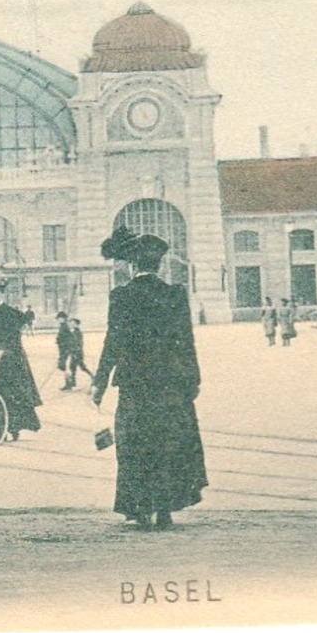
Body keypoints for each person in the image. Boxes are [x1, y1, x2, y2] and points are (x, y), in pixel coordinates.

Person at [91, 225, 208, 530]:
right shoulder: (175, 294)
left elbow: (112, 342)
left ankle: (140, 508)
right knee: (170, 442)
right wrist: (193, 379)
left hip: (134, 383)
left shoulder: (121, 296)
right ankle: (166, 509)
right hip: (171, 382)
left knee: (135, 444)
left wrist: (100, 381)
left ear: (132, 265)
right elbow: (186, 340)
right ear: (160, 264)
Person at [0, 277, 42, 440]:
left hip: (11, 360)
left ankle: (13, 427)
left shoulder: (12, 313)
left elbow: (15, 338)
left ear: (2, 294)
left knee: (12, 393)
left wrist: (4, 351)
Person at [66, 317, 93, 387]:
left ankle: (93, 377)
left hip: (77, 353)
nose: (71, 325)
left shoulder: (78, 333)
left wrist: (76, 352)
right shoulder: (74, 332)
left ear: (77, 324)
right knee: (72, 367)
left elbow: (79, 343)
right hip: (74, 353)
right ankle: (73, 382)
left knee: (82, 367)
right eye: (71, 323)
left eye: (73, 323)